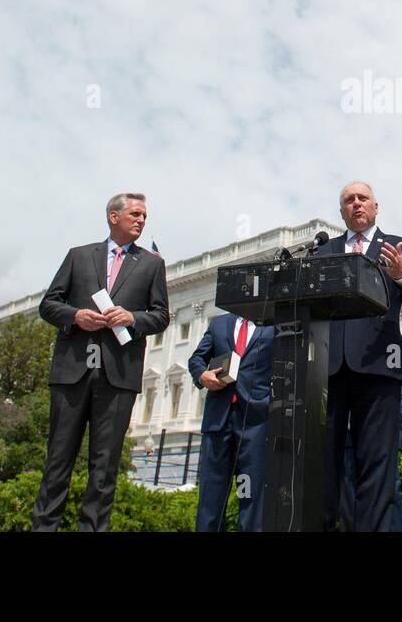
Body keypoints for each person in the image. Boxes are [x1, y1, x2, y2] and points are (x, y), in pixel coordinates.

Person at [31, 193, 171, 531]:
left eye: (144, 216)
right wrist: (76, 315)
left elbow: (161, 316)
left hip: (118, 376)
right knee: (58, 461)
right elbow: (48, 304)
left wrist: (133, 318)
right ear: (113, 216)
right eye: (135, 214)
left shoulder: (152, 264)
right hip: (72, 371)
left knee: (104, 468)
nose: (141, 220)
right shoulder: (79, 257)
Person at [318, 181, 402, 531]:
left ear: (376, 206)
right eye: (348, 201)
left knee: (378, 468)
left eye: (362, 198)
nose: (356, 204)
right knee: (325, 468)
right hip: (330, 373)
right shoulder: (323, 253)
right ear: (342, 212)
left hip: (380, 370)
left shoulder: (399, 248)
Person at [189, 311, 274, 531]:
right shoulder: (219, 324)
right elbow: (197, 359)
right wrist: (201, 375)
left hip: (255, 421)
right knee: (210, 496)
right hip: (218, 419)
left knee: (251, 495)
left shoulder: (274, 321)